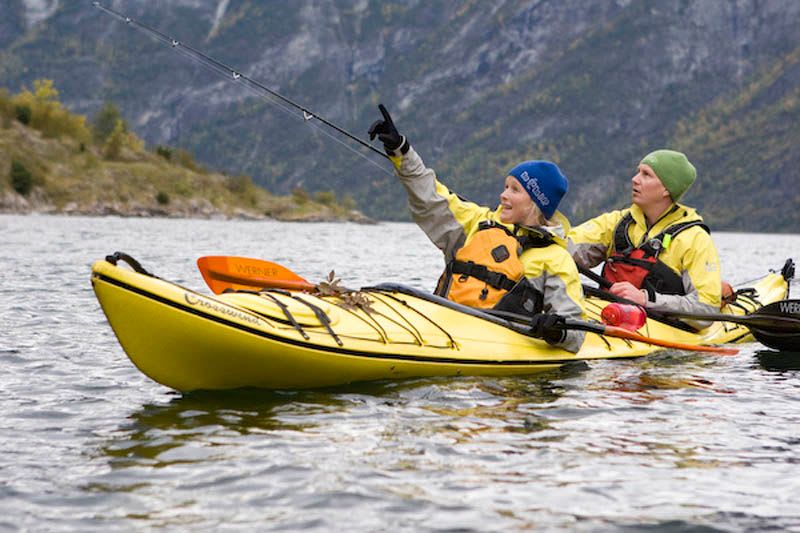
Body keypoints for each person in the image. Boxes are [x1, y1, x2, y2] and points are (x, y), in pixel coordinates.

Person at [368, 104, 585, 352]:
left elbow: (576, 332)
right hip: (441, 328)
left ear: (536, 204)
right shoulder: (477, 223)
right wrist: (401, 152)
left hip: (493, 350)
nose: (503, 196)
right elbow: (431, 196)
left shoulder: (555, 259)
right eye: (505, 187)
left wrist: (557, 329)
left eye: (515, 190)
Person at [568, 150, 721, 329]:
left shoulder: (695, 239)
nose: (635, 179)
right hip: (607, 315)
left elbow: (706, 310)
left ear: (666, 189)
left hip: (663, 326)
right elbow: (568, 247)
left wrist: (645, 299)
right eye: (638, 171)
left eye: (646, 174)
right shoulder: (617, 222)